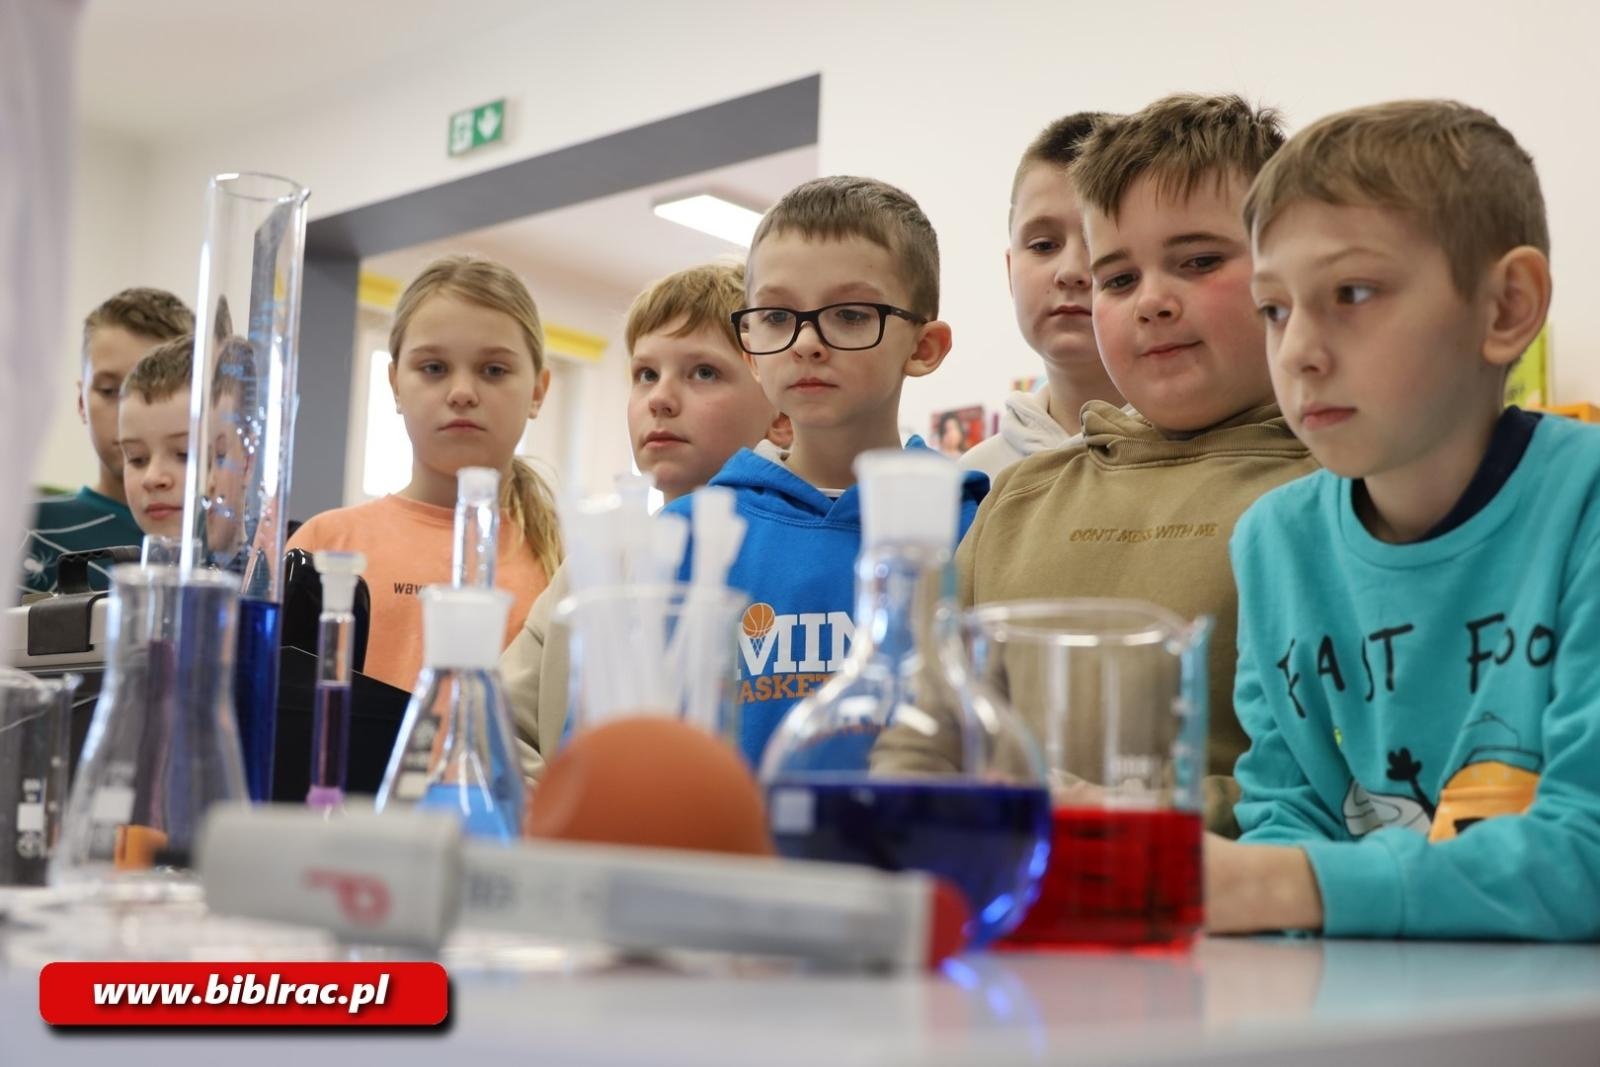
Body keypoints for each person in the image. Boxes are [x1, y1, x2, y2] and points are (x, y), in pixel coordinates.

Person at [1208, 100, 1600, 940]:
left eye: (1352, 292)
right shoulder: (1273, 544)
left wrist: (1283, 886)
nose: (1297, 350)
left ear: (1506, 308)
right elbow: (1286, 816)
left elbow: (1587, 850)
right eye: (1274, 308)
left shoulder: (1584, 504)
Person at [951, 95, 1319, 834]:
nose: (1151, 300)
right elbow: (924, 735)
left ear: (1287, 272)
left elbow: (1352, 793)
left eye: (1199, 261)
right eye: (1116, 280)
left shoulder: (1343, 492)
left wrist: (1118, 817)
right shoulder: (1015, 502)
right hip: (1012, 919)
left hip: (1231, 926)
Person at [664, 176, 988, 767]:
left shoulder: (976, 527)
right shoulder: (687, 536)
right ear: (750, 350)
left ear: (924, 347)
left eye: (849, 314)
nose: (807, 342)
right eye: (777, 315)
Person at [501, 261, 789, 779]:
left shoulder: (794, 556)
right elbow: (497, 727)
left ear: (781, 414)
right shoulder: (591, 572)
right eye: (645, 374)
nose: (660, 398)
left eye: (703, 372)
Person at [287, 255, 559, 692]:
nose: (462, 393)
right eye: (433, 368)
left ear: (538, 390)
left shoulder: (565, 565)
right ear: (396, 384)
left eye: (494, 370)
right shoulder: (326, 545)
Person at [962, 110, 1125, 479]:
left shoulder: (1209, 454)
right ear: (1009, 271)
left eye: (1095, 241)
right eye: (1042, 245)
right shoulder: (974, 483)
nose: (1070, 272)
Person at [19, 288, 193, 593]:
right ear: (81, 401)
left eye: (155, 390)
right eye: (110, 390)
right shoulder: (22, 529)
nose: (128, 410)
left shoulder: (227, 546)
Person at [116, 335, 194, 542]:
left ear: (247, 462)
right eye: (137, 459)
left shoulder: (284, 568)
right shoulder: (103, 570)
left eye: (185, 454)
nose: (151, 478)